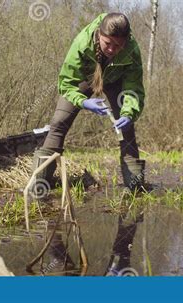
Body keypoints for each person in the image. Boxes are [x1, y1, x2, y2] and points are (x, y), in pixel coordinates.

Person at [33, 12, 145, 192]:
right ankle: (39, 185)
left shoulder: (131, 50)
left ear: (126, 41)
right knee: (58, 123)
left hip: (117, 81)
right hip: (85, 78)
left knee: (127, 129)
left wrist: (128, 112)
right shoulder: (81, 43)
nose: (111, 50)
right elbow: (67, 84)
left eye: (118, 46)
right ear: (99, 34)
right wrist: (83, 102)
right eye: (108, 43)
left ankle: (135, 188)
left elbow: (134, 89)